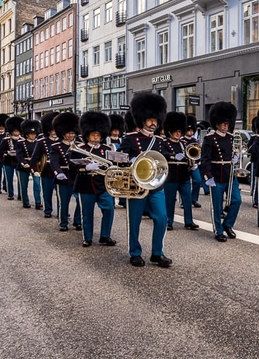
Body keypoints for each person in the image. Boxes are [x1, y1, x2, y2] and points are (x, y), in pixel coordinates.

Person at [119, 93, 171, 268]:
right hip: (136, 186)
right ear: (141, 120)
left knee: (162, 217)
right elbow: (120, 157)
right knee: (134, 221)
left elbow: (165, 157)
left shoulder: (160, 140)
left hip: (155, 185)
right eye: (149, 120)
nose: (153, 123)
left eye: (155, 120)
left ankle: (157, 252)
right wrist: (131, 160)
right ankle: (135, 252)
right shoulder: (130, 139)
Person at [73, 111, 117, 248]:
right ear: (87, 135)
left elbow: (114, 165)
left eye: (98, 135)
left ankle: (105, 235)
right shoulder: (80, 148)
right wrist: (86, 168)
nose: (95, 137)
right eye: (93, 134)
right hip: (85, 184)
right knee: (87, 213)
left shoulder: (107, 148)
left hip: (103, 184)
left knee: (109, 209)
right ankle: (88, 237)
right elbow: (71, 165)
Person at [200, 101, 242, 242]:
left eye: (227, 123)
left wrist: (235, 158)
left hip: (230, 175)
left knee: (236, 200)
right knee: (217, 206)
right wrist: (207, 176)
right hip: (216, 175)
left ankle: (228, 225)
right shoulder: (209, 139)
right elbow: (205, 159)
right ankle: (218, 230)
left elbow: (232, 153)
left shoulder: (231, 138)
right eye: (223, 123)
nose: (225, 126)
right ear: (216, 123)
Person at [160, 111, 200, 231]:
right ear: (170, 131)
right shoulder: (164, 143)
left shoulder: (183, 144)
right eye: (176, 131)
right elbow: (162, 154)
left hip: (184, 176)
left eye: (179, 132)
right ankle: (168, 221)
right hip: (171, 176)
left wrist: (192, 162)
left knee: (187, 200)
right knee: (170, 200)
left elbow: (190, 155)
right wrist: (173, 156)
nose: (178, 134)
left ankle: (189, 221)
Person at [49, 112, 83, 232]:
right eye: (69, 133)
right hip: (63, 177)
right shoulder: (56, 146)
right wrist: (58, 172)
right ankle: (63, 222)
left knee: (80, 200)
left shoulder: (79, 145)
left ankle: (78, 221)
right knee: (64, 202)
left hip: (77, 176)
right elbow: (53, 161)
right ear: (63, 133)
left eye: (73, 133)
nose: (70, 135)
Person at [16, 119, 43, 210]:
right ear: (27, 134)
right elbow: (19, 155)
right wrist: (23, 162)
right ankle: (25, 201)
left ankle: (38, 202)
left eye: (34, 134)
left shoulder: (38, 143)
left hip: (35, 165)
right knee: (24, 185)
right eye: (31, 134)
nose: (33, 135)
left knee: (37, 184)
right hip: (24, 165)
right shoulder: (20, 143)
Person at [0, 117, 24, 201]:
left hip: (18, 162)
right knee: (9, 179)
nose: (16, 133)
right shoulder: (6, 140)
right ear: (11, 131)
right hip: (8, 161)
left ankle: (20, 194)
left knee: (20, 179)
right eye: (15, 131)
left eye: (18, 131)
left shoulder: (22, 140)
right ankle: (10, 194)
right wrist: (7, 153)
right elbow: (1, 150)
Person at [184, 115, 205, 209]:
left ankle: (194, 199)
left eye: (192, 130)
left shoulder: (194, 140)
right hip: (184, 165)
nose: (191, 132)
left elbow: (198, 152)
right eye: (189, 130)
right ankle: (184, 201)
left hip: (194, 164)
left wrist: (197, 160)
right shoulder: (181, 140)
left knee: (198, 180)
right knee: (185, 183)